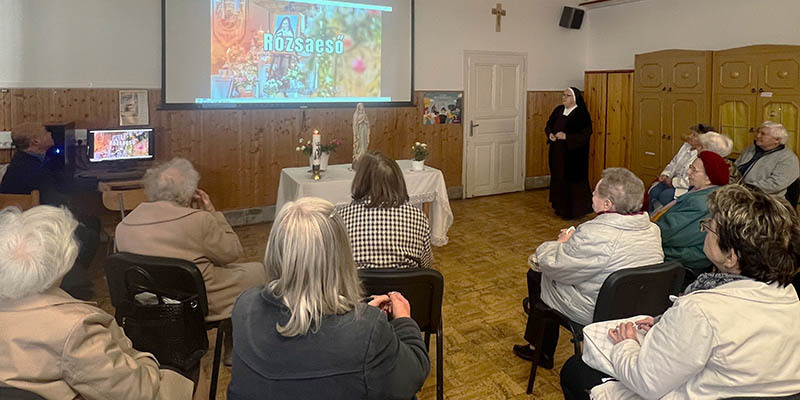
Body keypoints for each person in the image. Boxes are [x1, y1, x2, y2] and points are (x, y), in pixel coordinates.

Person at [561, 184, 800, 400]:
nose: (704, 231)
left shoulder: (700, 310)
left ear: (731, 256)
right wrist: (664, 325)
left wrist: (627, 344)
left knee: (576, 372)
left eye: (710, 227)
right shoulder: (788, 294)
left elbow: (647, 382)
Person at [226, 197, 430, 400]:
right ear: (340, 255)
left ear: (275, 250)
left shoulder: (244, 306)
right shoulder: (368, 330)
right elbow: (413, 375)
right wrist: (404, 321)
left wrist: (362, 314)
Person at [0, 205, 193, 399]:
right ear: (65, 260)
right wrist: (149, 363)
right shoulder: (75, 328)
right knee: (193, 377)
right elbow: (133, 393)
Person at [512, 168, 664, 366]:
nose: (592, 194)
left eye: (595, 192)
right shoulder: (652, 230)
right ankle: (538, 328)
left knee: (537, 274)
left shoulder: (595, 234)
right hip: (639, 307)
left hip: (598, 309)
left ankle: (540, 347)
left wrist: (560, 243)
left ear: (607, 203)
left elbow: (555, 265)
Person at [115, 157, 266, 322]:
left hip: (147, 301)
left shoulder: (123, 226)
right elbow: (232, 253)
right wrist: (213, 214)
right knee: (259, 271)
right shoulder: (200, 220)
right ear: (190, 191)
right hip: (197, 300)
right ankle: (237, 340)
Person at [0, 122, 99, 300]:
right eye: (46, 132)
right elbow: (55, 198)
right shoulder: (31, 168)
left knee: (91, 224)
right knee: (89, 235)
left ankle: (72, 279)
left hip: (30, 220)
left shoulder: (27, 161)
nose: (51, 134)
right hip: (36, 226)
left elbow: (58, 186)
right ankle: (70, 284)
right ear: (36, 141)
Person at [339, 151, 433, 269]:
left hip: (358, 286)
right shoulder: (417, 217)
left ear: (360, 180)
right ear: (398, 180)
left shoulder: (342, 218)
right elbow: (426, 265)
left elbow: (336, 266)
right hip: (404, 286)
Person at [655, 151, 730, 284]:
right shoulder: (705, 192)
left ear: (708, 178)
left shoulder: (701, 203)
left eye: (694, 170)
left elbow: (667, 234)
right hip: (689, 253)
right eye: (690, 167)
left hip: (685, 259)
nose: (688, 172)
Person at [545, 87, 593, 219]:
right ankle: (560, 207)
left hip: (574, 155)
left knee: (572, 181)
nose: (564, 97)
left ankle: (574, 211)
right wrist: (550, 134)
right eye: (563, 95)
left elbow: (586, 134)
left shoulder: (581, 114)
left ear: (575, 98)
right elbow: (549, 124)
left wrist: (567, 137)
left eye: (567, 95)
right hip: (557, 152)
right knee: (558, 178)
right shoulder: (558, 110)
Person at [648, 124, 715, 212]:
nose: (689, 136)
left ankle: (661, 220)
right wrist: (666, 174)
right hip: (671, 180)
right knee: (654, 191)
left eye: (694, 135)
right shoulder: (686, 146)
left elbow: (692, 179)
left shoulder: (703, 155)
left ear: (703, 140)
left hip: (685, 187)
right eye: (690, 133)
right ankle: (651, 217)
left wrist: (673, 182)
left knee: (665, 196)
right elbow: (674, 162)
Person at [734, 120, 800, 196]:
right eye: (758, 132)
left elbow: (775, 184)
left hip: (764, 199)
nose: (758, 136)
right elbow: (736, 167)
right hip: (739, 192)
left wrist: (744, 189)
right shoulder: (750, 149)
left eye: (763, 134)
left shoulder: (788, 158)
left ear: (777, 140)